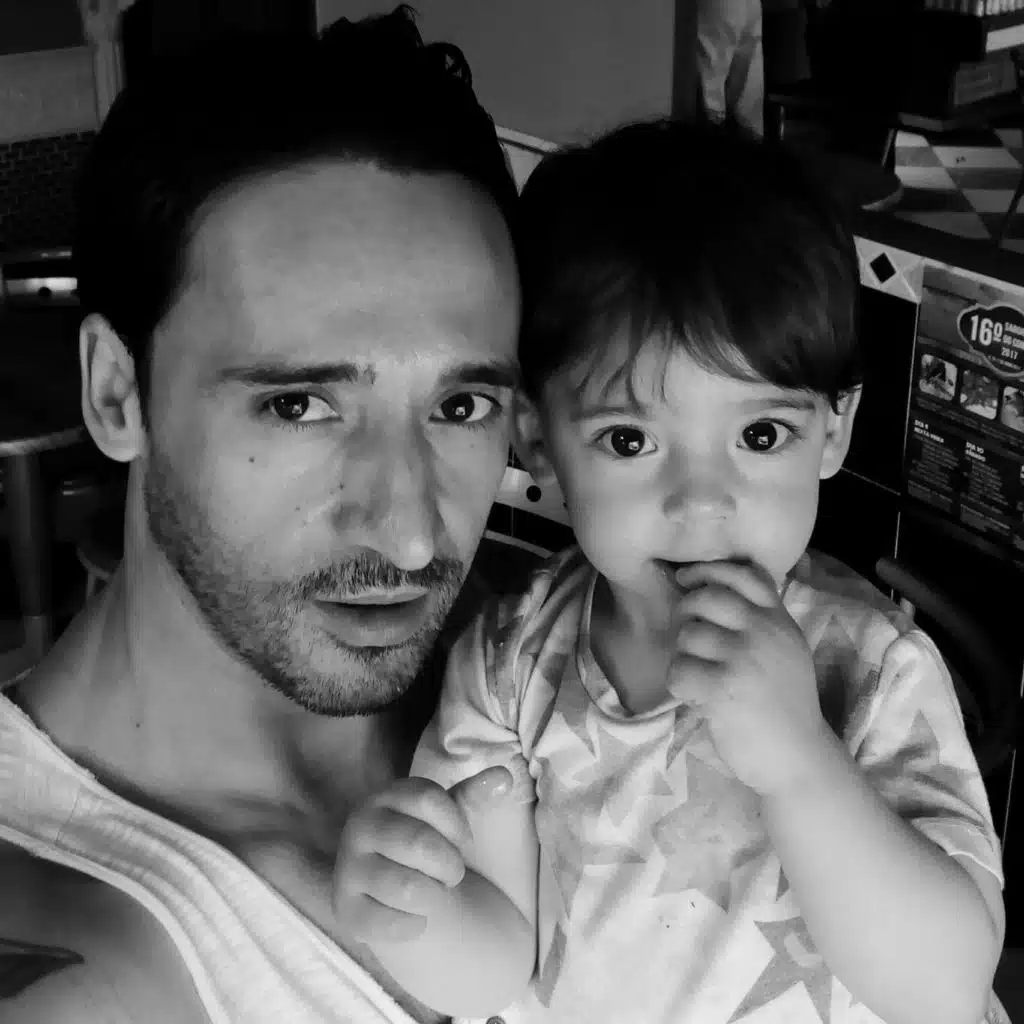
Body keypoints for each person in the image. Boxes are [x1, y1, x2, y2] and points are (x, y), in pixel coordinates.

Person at [333, 121, 1008, 1024]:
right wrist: (415, 912)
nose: (701, 503)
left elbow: (943, 988)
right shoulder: (510, 668)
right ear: (537, 437)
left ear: (833, 431)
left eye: (760, 434)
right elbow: (493, 968)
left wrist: (804, 765)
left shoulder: (872, 669)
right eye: (629, 440)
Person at [0, 8, 522, 1023]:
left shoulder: (551, 673)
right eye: (299, 406)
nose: (413, 537)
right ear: (117, 393)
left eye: (460, 407)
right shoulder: (67, 959)